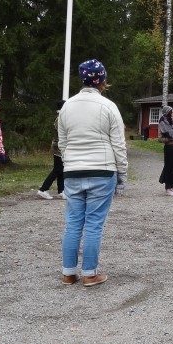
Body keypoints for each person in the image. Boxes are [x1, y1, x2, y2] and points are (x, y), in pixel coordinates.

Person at [59, 59, 128, 287]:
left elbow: (63, 143)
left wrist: (70, 164)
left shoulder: (67, 106)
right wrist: (122, 173)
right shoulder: (108, 106)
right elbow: (118, 144)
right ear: (102, 80)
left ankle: (69, 272)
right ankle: (90, 273)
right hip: (102, 169)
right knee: (94, 223)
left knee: (73, 222)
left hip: (73, 172)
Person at [36, 100, 66, 200]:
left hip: (60, 146)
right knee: (57, 169)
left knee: (61, 169)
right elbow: (61, 133)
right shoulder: (61, 118)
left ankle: (61, 191)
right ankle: (43, 189)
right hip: (59, 146)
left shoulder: (62, 117)